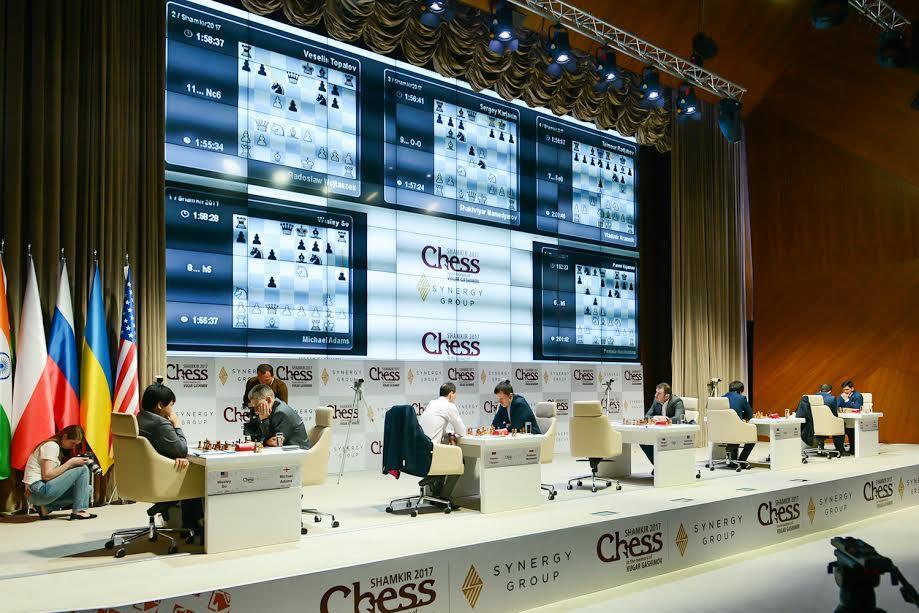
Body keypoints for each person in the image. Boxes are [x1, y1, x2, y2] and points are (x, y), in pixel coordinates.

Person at [137, 382, 203, 534]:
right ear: (160, 405)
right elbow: (182, 449)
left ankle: (179, 514)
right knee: (197, 472)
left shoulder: (140, 417)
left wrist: (176, 457)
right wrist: (177, 424)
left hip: (143, 477)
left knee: (185, 464)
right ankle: (192, 523)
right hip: (161, 478)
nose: (172, 409)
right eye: (171, 405)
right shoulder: (160, 424)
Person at [23, 425, 97, 520]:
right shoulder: (51, 446)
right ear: (65, 436)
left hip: (37, 491)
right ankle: (79, 511)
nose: (73, 446)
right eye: (72, 443)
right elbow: (47, 475)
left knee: (87, 489)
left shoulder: (55, 447)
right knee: (83, 469)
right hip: (36, 490)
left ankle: (45, 508)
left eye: (76, 444)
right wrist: (70, 463)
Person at [417, 383, 467, 498]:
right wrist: (453, 433)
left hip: (420, 451)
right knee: (459, 461)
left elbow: (435, 426)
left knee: (446, 455)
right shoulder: (449, 406)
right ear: (451, 394)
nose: (455, 397)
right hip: (432, 454)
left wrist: (449, 433)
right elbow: (462, 431)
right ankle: (444, 497)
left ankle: (435, 492)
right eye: (455, 394)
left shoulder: (432, 404)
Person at [247, 384, 310, 448]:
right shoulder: (271, 410)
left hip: (299, 452)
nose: (255, 410)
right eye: (254, 407)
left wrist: (264, 420)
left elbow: (275, 443)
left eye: (257, 406)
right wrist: (265, 441)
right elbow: (257, 437)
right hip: (287, 450)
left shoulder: (281, 412)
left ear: (268, 400)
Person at [640, 383, 686, 466]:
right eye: (656, 392)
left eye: (659, 393)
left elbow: (678, 419)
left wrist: (664, 419)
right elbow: (647, 416)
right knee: (643, 441)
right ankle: (658, 466)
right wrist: (655, 417)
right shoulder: (656, 401)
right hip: (660, 432)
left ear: (666, 396)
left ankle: (664, 466)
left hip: (675, 433)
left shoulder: (677, 401)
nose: (655, 395)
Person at [723, 380, 755, 465]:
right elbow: (750, 415)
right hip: (735, 430)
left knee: (733, 435)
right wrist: (742, 414)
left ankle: (732, 461)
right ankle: (741, 461)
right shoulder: (741, 398)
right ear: (740, 390)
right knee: (752, 437)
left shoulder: (721, 398)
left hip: (722, 431)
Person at [815, 383, 848, 455]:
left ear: (820, 391)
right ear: (830, 391)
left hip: (815, 426)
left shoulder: (813, 398)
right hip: (828, 426)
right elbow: (835, 415)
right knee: (840, 424)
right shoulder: (832, 398)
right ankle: (840, 449)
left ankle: (820, 447)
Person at [838, 379, 864, 454]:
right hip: (845, 419)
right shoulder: (842, 395)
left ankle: (853, 449)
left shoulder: (858, 396)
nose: (845, 391)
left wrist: (846, 400)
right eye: (844, 390)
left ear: (852, 388)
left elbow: (856, 408)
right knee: (839, 428)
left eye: (847, 389)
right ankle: (840, 450)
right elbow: (837, 405)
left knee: (850, 430)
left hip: (854, 420)